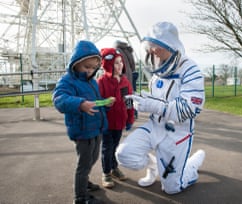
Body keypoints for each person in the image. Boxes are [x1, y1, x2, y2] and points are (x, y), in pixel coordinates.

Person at [116, 22, 206, 194]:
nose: (152, 52)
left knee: (171, 188)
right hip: (155, 126)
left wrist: (153, 105)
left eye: (155, 47)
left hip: (177, 132)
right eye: (150, 48)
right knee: (124, 154)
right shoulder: (159, 68)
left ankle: (191, 168)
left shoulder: (191, 70)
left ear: (170, 45)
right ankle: (155, 166)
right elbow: (157, 101)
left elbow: (189, 109)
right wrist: (136, 101)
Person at [52, 40, 114, 204]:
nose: (90, 71)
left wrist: (105, 104)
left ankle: (84, 182)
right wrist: (80, 104)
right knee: (84, 164)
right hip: (82, 130)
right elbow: (59, 99)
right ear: (76, 64)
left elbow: (96, 103)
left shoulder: (92, 82)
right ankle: (80, 197)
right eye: (86, 67)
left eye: (93, 68)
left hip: (95, 128)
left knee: (93, 158)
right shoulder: (68, 81)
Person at [97, 48, 135, 188]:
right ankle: (106, 173)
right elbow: (97, 103)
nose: (120, 65)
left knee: (115, 147)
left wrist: (130, 119)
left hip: (119, 121)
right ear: (108, 65)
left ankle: (114, 168)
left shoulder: (125, 81)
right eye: (116, 63)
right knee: (107, 148)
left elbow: (129, 101)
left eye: (121, 62)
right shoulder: (101, 82)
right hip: (106, 123)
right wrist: (105, 104)